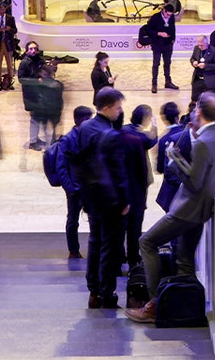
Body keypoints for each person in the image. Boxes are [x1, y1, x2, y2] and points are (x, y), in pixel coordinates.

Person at [126, 93, 215, 324]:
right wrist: (178, 159)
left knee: (147, 242)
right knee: (184, 259)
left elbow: (193, 183)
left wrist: (173, 163)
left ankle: (154, 305)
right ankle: (182, 310)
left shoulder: (203, 142)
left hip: (188, 209)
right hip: (203, 208)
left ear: (199, 111)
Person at [66, 87, 130, 309]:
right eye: (118, 108)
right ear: (107, 107)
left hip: (91, 196)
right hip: (111, 199)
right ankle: (107, 293)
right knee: (110, 246)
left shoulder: (85, 127)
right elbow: (118, 172)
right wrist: (125, 201)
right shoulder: (110, 135)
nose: (120, 111)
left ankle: (94, 290)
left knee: (95, 242)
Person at [116, 104, 157, 268]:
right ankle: (133, 259)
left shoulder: (122, 132)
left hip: (117, 189)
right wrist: (154, 128)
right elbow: (151, 141)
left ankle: (119, 257)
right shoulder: (138, 139)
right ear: (145, 118)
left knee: (119, 227)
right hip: (135, 188)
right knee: (134, 226)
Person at [55, 105, 94, 260]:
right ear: (82, 120)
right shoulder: (67, 140)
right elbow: (61, 166)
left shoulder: (90, 136)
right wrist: (70, 189)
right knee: (73, 220)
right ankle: (73, 250)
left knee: (94, 219)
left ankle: (95, 248)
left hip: (90, 186)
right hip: (75, 188)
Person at [153, 102, 189, 212]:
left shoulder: (163, 139)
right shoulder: (187, 133)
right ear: (177, 117)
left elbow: (160, 168)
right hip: (190, 187)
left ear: (163, 118)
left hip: (172, 191)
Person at [146, 6, 178, 93]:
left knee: (167, 63)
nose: (169, 16)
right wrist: (159, 33)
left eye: (170, 15)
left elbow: (173, 29)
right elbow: (148, 29)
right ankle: (154, 83)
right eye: (167, 14)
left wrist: (172, 40)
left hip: (168, 44)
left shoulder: (171, 17)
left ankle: (168, 82)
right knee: (156, 64)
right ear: (164, 10)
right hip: (157, 44)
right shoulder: (155, 17)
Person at [0, 3, 18, 91]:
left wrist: (9, 29)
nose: (1, 11)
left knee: (9, 64)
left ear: (5, 9)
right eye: (0, 9)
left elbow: (15, 30)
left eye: (2, 9)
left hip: (8, 44)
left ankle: (10, 82)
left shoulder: (10, 18)